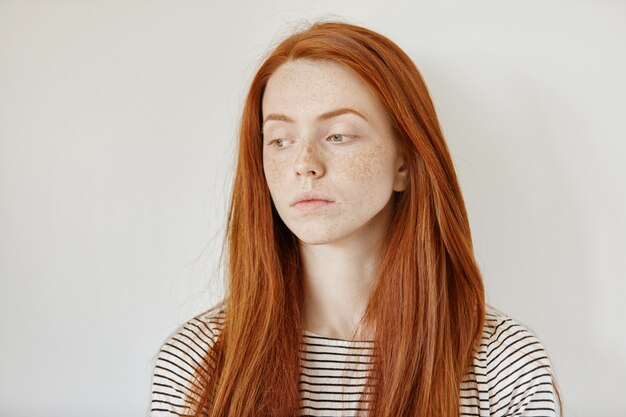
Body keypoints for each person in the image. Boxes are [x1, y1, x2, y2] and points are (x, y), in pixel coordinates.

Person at [149, 20, 563, 417]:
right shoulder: (199, 360)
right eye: (280, 140)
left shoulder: (501, 365)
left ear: (404, 162)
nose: (304, 164)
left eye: (338, 135)